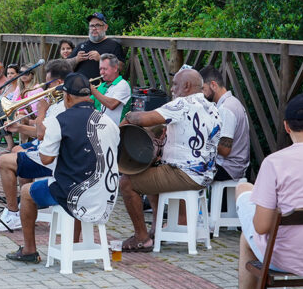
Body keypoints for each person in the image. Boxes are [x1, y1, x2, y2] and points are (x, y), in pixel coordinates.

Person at [215, 94, 303, 289]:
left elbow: (260, 226)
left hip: (285, 258)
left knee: (244, 196)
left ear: (286, 126)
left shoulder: (275, 162)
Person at [6, 72, 120, 263]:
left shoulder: (59, 121)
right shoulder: (108, 122)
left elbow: (46, 158)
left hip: (75, 195)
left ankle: (29, 250)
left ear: (67, 97)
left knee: (26, 191)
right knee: (74, 179)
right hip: (106, 195)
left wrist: (42, 114)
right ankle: (73, 243)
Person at [119, 68, 222, 252]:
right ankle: (156, 230)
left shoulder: (181, 104)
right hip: (205, 176)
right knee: (151, 172)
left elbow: (141, 119)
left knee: (127, 182)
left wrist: (128, 116)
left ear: (187, 86)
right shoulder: (213, 108)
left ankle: (141, 238)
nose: (172, 89)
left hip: (184, 174)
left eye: (175, 85)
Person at [0, 59, 72, 231]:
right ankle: (24, 207)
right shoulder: (58, 102)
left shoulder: (63, 106)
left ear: (59, 82)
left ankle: (13, 212)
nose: (45, 87)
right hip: (49, 153)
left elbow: (42, 134)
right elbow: (42, 133)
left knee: (4, 162)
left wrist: (42, 111)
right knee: (15, 153)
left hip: (54, 159)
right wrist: (20, 127)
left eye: (48, 82)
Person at [199, 65, 250, 181]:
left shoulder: (226, 109)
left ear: (213, 85)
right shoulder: (231, 102)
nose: (202, 94)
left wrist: (201, 142)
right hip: (234, 166)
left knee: (186, 171)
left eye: (203, 89)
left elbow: (225, 150)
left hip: (228, 168)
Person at [70, 13, 125, 81]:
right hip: (78, 87)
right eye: (91, 26)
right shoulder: (81, 45)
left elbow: (121, 67)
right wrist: (76, 59)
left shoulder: (113, 45)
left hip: (101, 88)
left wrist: (101, 58)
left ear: (105, 27)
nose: (94, 28)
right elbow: (65, 65)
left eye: (97, 25)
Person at [90, 53, 131, 125]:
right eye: (100, 69)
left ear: (115, 68)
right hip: (99, 126)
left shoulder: (123, 85)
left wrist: (92, 89)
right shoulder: (102, 85)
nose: (101, 72)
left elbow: (112, 105)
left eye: (105, 69)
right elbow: (89, 101)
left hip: (116, 130)